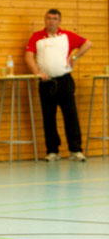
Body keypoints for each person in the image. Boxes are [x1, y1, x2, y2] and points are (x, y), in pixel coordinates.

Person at [25, 9, 92, 162]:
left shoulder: (66, 36)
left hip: (64, 81)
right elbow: (28, 56)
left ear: (59, 21)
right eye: (48, 18)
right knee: (48, 117)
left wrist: (75, 56)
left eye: (55, 18)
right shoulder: (37, 37)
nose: (51, 21)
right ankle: (52, 151)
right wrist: (37, 73)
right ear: (45, 20)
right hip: (46, 83)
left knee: (71, 115)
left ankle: (76, 150)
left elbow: (87, 43)